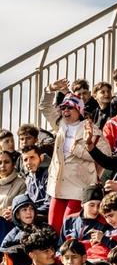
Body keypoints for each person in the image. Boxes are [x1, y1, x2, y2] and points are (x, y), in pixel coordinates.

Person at [38, 82, 109, 232]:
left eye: (69, 107)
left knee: (69, 230)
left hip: (79, 187)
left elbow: (105, 157)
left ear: (79, 109)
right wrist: (49, 89)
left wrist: (78, 150)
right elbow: (44, 107)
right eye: (63, 108)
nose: (65, 111)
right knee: (53, 230)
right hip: (57, 186)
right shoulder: (60, 124)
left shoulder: (92, 130)